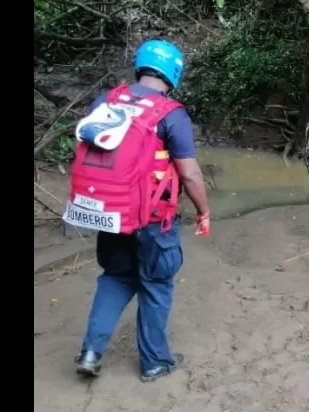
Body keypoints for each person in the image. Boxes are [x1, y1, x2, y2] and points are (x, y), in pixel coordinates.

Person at [63, 39, 211, 382]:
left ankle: (90, 352)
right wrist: (204, 211)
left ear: (140, 65)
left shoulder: (107, 100)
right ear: (173, 72)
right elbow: (189, 173)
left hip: (109, 213)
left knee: (114, 278)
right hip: (153, 221)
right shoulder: (171, 114)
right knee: (156, 285)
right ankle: (155, 362)